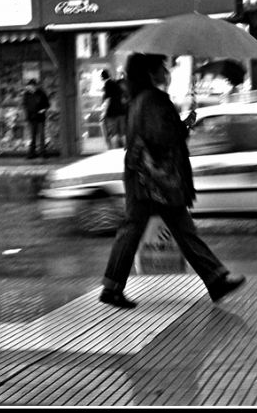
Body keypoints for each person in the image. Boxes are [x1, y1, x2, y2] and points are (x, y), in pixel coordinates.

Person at [99, 53, 246, 309]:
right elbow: (162, 138)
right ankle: (216, 279)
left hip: (141, 176)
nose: (165, 72)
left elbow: (154, 134)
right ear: (150, 72)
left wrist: (182, 124)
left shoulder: (137, 99)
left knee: (143, 228)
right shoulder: (154, 99)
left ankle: (112, 287)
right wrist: (183, 127)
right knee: (176, 227)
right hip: (157, 180)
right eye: (162, 67)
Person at [22, 79, 50, 159]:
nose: (29, 88)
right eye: (28, 87)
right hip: (31, 118)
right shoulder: (26, 94)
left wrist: (43, 110)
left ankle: (43, 153)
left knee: (41, 135)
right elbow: (24, 105)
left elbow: (47, 105)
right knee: (32, 136)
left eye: (31, 86)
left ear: (35, 86)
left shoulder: (41, 93)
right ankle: (32, 153)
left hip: (40, 117)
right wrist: (27, 115)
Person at [101, 69, 127, 148]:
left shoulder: (107, 84)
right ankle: (125, 149)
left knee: (114, 133)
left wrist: (103, 114)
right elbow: (122, 98)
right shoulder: (115, 83)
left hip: (112, 113)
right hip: (121, 112)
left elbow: (108, 100)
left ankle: (114, 149)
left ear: (102, 77)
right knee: (123, 133)